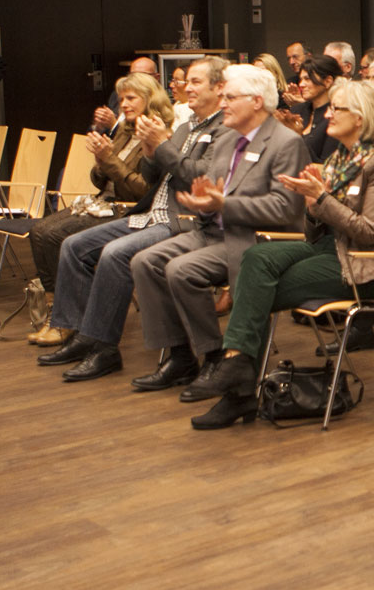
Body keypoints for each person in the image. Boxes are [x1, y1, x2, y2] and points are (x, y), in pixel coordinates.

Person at [188, 80, 374, 429]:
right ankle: (238, 368)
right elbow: (315, 232)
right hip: (330, 249)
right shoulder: (341, 158)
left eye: (337, 109)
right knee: (256, 258)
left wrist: (321, 198)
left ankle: (238, 385)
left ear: (361, 118)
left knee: (256, 289)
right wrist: (312, 205)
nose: (328, 114)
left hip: (365, 266)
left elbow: (369, 233)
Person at [35, 57, 233, 374]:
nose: (186, 88)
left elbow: (198, 178)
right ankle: (81, 333)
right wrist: (151, 151)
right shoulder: (186, 127)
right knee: (73, 245)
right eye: (187, 82)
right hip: (150, 213)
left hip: (181, 219)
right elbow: (153, 177)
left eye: (195, 82)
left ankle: (103, 348)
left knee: (114, 254)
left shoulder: (223, 130)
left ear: (218, 88)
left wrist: (160, 145)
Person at [126, 65, 308, 395]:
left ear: (256, 101)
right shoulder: (228, 140)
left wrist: (224, 204)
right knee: (144, 262)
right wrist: (203, 202)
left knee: (181, 270)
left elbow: (285, 209)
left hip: (254, 240)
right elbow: (213, 190)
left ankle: (214, 358)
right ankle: (181, 357)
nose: (222, 104)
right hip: (210, 230)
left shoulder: (286, 143)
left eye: (230, 98)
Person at [26, 73, 174, 344]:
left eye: (131, 98)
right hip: (103, 202)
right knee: (38, 231)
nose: (124, 104)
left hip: (129, 209)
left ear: (150, 98)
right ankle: (56, 312)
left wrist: (109, 159)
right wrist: (100, 160)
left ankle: (67, 320)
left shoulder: (159, 132)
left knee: (55, 236)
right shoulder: (125, 129)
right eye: (122, 99)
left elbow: (143, 190)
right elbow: (99, 180)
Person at [275, 54, 340, 161]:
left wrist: (297, 136)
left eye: (307, 79)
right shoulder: (296, 110)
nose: (301, 84)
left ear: (328, 81)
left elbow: (326, 165)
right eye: (301, 79)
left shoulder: (336, 117)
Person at [166, 66, 193, 130]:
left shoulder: (189, 112)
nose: (171, 85)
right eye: (172, 80)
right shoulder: (177, 105)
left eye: (176, 81)